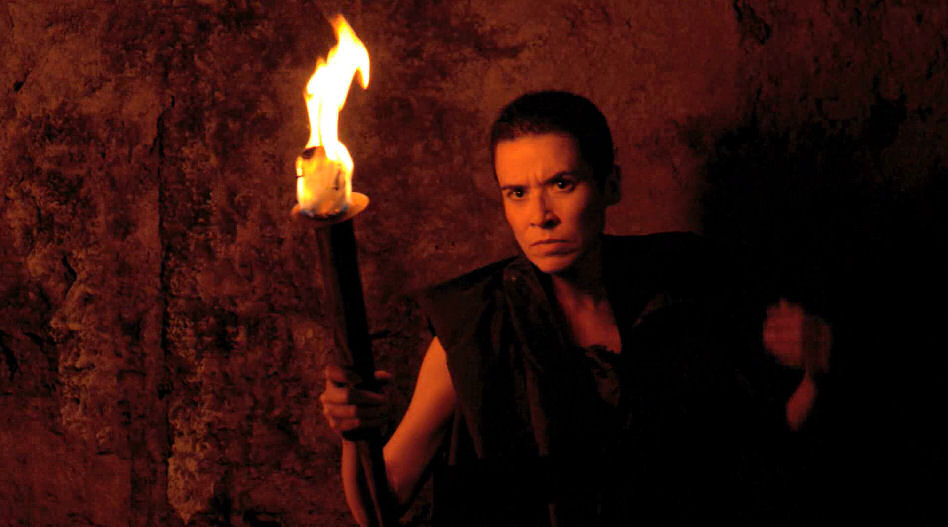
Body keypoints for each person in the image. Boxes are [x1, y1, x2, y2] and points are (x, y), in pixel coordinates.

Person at [321, 91, 830, 526]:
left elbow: (764, 457)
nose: (539, 216)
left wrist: (817, 374)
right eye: (517, 193)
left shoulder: (682, 285)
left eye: (562, 184)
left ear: (610, 186)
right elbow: (380, 505)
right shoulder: (476, 325)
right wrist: (353, 437)